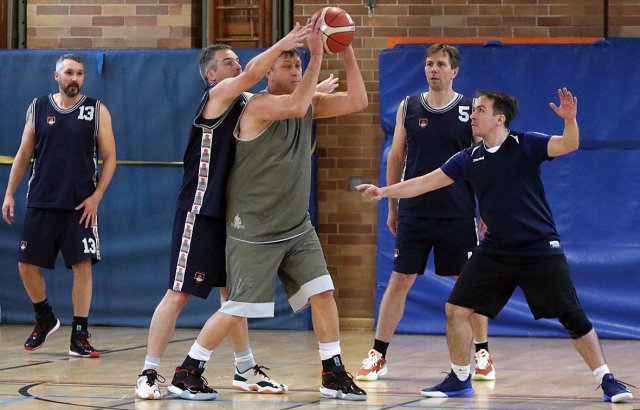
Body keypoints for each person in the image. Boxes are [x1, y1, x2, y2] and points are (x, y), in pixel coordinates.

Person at [356, 88, 634, 403]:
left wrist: (570, 120)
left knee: (572, 317)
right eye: (473, 109)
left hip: (538, 246)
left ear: (499, 118)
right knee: (455, 309)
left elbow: (569, 143)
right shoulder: (469, 158)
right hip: (496, 249)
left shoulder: (526, 143)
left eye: (480, 110)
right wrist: (384, 192)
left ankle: (607, 380)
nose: (472, 115)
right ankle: (460, 378)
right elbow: (425, 182)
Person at [167, 15, 368, 402]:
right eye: (287, 65)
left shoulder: (307, 102)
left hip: (296, 225)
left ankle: (333, 372)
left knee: (323, 293)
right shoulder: (257, 106)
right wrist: (316, 55)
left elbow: (358, 101)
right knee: (237, 307)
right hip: (254, 228)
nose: (295, 70)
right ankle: (187, 370)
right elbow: (295, 104)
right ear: (268, 73)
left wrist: (345, 49)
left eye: (298, 65)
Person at [134, 24, 322, 400]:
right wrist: (286, 43)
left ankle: (245, 368)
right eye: (228, 62)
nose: (237, 66)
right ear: (211, 74)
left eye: (237, 60)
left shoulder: (246, 102)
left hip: (232, 213)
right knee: (178, 293)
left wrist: (318, 86)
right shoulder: (217, 96)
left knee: (232, 296)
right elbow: (254, 74)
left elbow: (285, 99)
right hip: (200, 209)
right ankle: (149, 372)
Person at [356, 44, 494, 383]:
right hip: (415, 211)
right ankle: (378, 354)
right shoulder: (409, 106)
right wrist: (392, 204)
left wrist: (487, 207)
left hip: (457, 211)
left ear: (454, 71)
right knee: (399, 280)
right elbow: (396, 156)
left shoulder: (469, 110)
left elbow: (485, 161)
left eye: (441, 64)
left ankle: (482, 353)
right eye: (430, 63)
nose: (434, 69)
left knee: (467, 283)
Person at [2, 54, 117, 358]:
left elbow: (110, 158)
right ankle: (44, 317)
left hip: (80, 204)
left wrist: (97, 196)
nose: (74, 78)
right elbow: (23, 154)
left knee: (82, 265)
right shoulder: (38, 107)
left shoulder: (96, 110)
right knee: (26, 265)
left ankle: (79, 334)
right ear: (57, 76)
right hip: (42, 199)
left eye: (79, 73)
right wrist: (10, 193)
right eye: (68, 72)